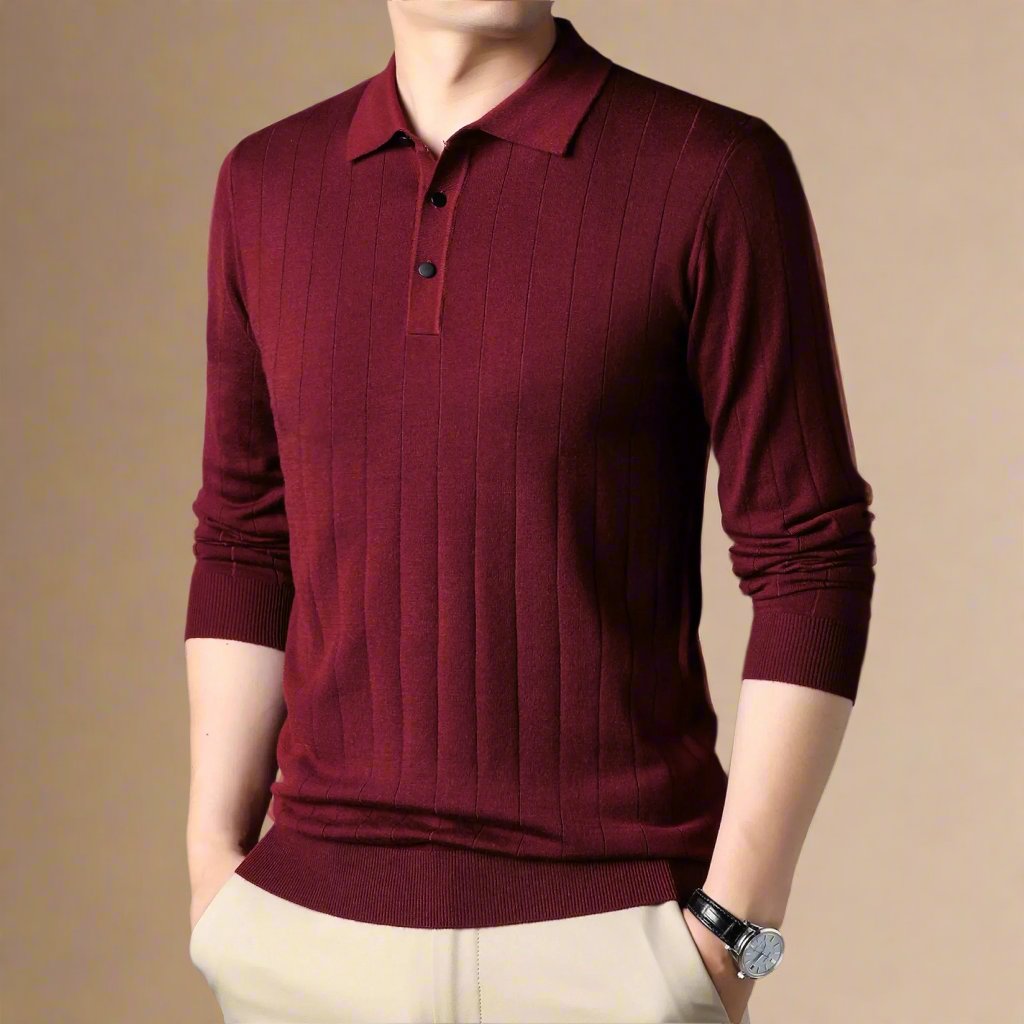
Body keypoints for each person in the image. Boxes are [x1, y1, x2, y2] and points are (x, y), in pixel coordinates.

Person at [182, 3, 876, 1022]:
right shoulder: (266, 184)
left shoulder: (711, 171)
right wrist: (213, 864)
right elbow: (246, 536)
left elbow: (811, 555)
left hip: (612, 943)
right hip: (306, 937)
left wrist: (733, 929)